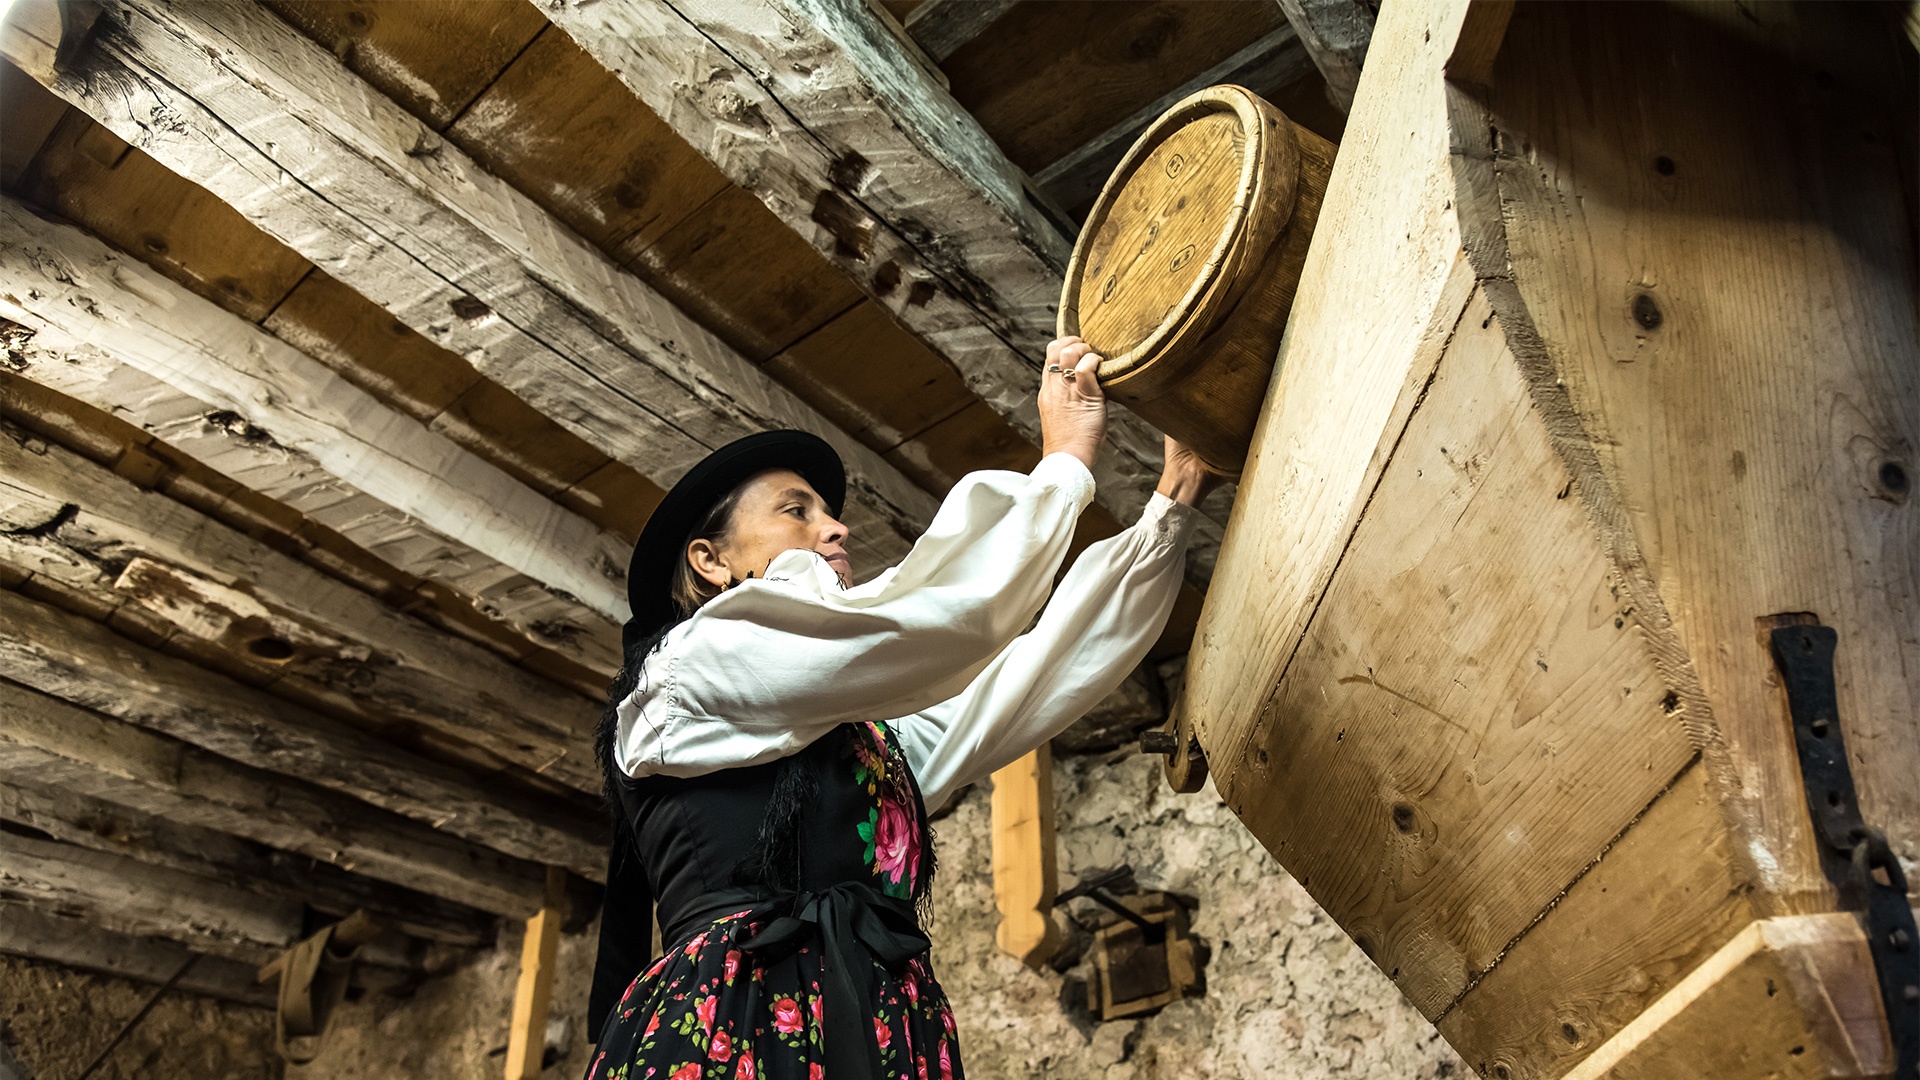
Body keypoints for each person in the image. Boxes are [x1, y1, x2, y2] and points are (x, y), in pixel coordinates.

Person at [586, 336, 1220, 1080]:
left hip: (885, 1027)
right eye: (797, 511)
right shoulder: (689, 669)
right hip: (734, 1025)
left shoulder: (875, 743)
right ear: (710, 560)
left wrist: (1171, 502)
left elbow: (1038, 668)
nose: (836, 526)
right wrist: (1063, 465)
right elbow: (931, 621)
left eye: (828, 510)